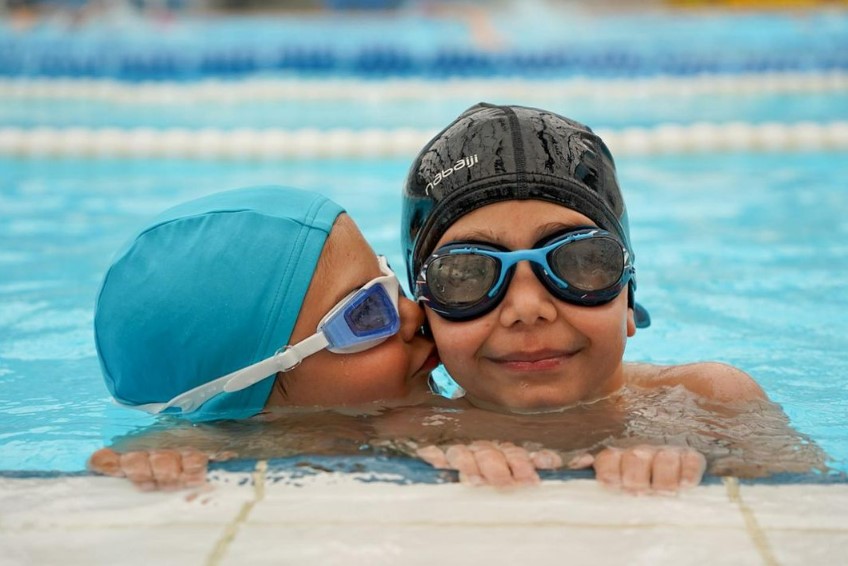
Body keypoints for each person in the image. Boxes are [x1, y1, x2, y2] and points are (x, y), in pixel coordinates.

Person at [88, 184, 708, 494]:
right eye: (368, 315)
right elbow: (167, 436)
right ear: (261, 382)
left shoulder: (698, 398)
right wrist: (158, 454)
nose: (416, 315)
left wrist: (665, 450)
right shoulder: (370, 432)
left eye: (391, 282)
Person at [401, 103, 771, 483]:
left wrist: (698, 458)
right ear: (425, 318)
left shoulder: (709, 405)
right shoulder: (416, 432)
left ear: (628, 299)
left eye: (581, 261)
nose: (527, 309)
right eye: (467, 274)